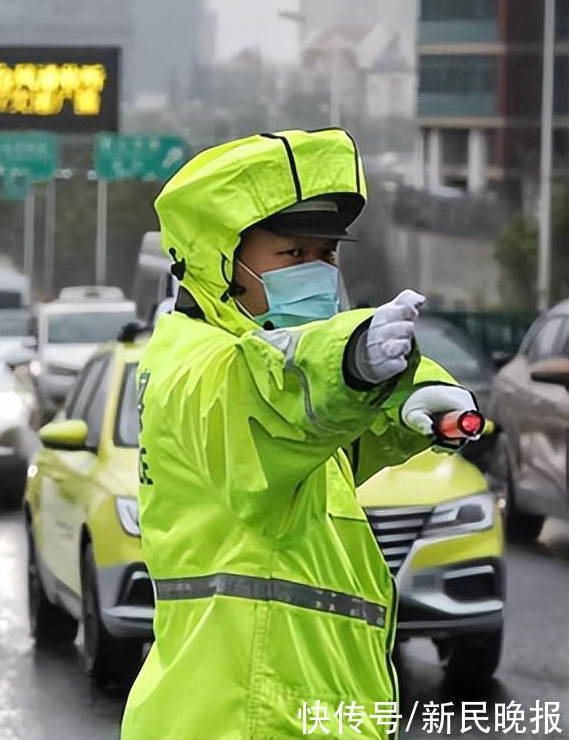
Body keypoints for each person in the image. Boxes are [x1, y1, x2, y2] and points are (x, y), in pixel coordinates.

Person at [121, 129, 479, 740]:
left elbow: (328, 427)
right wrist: (353, 360)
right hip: (244, 717)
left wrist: (410, 393)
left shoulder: (269, 385)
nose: (315, 274)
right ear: (217, 258)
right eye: (292, 255)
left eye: (327, 255)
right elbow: (274, 393)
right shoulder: (197, 366)